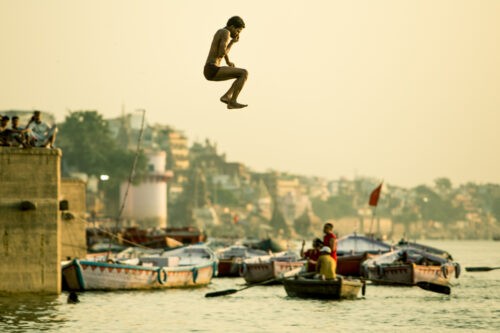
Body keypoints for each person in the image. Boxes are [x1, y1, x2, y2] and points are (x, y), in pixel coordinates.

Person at [204, 16, 248, 109]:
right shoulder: (226, 33)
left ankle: (227, 96)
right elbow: (221, 53)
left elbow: (221, 49)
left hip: (210, 69)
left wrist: (228, 62)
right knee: (244, 73)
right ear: (232, 27)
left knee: (240, 76)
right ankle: (232, 101)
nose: (237, 34)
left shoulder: (221, 31)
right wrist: (232, 42)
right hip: (212, 68)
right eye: (238, 31)